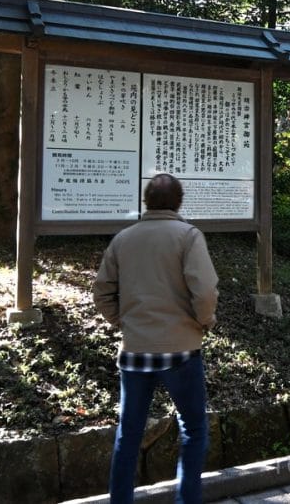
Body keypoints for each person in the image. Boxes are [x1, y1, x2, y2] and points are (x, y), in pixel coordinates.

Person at [93, 173, 219, 504]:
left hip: (135, 351)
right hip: (181, 350)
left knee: (129, 434)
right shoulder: (188, 236)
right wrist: (204, 322)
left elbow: (102, 290)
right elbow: (204, 291)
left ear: (146, 201)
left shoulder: (123, 238)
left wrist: (121, 321)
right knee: (193, 430)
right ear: (178, 202)